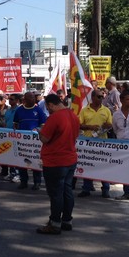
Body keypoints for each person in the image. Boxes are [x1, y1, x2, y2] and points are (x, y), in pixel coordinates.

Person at [36, 93, 80, 234]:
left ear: (50, 105)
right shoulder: (73, 116)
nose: (48, 110)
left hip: (55, 161)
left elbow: (44, 139)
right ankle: (67, 220)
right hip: (70, 159)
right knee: (67, 191)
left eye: (48, 108)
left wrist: (40, 131)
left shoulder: (54, 118)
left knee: (56, 193)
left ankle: (55, 223)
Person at [77, 88, 113, 198]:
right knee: (88, 165)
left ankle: (105, 189)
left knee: (103, 167)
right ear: (92, 97)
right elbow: (79, 124)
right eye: (99, 96)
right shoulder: (84, 110)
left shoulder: (106, 110)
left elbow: (110, 125)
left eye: (102, 96)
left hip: (103, 143)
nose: (101, 98)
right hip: (88, 142)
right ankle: (86, 188)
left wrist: (107, 126)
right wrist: (89, 127)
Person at [13, 91, 47, 190]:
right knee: (22, 162)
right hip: (22, 141)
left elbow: (43, 125)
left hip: (35, 142)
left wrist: (37, 129)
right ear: (25, 99)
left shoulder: (38, 110)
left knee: (35, 161)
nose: (33, 99)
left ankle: (37, 182)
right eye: (30, 98)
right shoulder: (19, 110)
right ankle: (24, 181)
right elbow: (15, 124)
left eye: (33, 98)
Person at [3, 93, 22, 183]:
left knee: (16, 155)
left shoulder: (19, 110)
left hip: (16, 136)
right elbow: (6, 122)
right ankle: (12, 173)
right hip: (8, 135)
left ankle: (18, 174)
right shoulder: (8, 110)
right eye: (9, 99)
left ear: (17, 101)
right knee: (10, 155)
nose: (10, 100)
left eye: (12, 99)